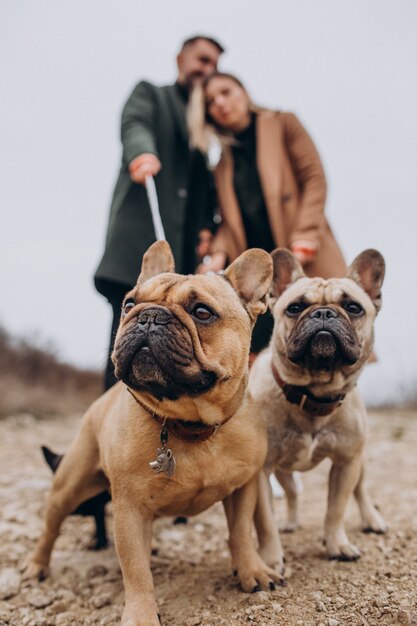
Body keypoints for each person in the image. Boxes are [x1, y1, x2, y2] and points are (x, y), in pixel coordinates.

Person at [95, 36, 224, 390]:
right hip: (139, 241)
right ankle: (107, 433)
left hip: (180, 255)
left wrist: (207, 228)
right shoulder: (151, 94)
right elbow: (135, 124)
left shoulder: (203, 121)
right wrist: (142, 153)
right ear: (181, 58)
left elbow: (206, 187)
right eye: (202, 59)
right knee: (127, 338)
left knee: (168, 347)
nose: (206, 69)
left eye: (213, 64)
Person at [188, 72, 347, 355]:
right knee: (256, 349)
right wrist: (219, 255)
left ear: (244, 92)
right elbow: (228, 221)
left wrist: (307, 234)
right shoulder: (223, 164)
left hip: (303, 253)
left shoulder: (284, 123)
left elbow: (314, 178)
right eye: (211, 102)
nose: (220, 103)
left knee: (326, 341)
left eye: (226, 92)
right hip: (259, 273)